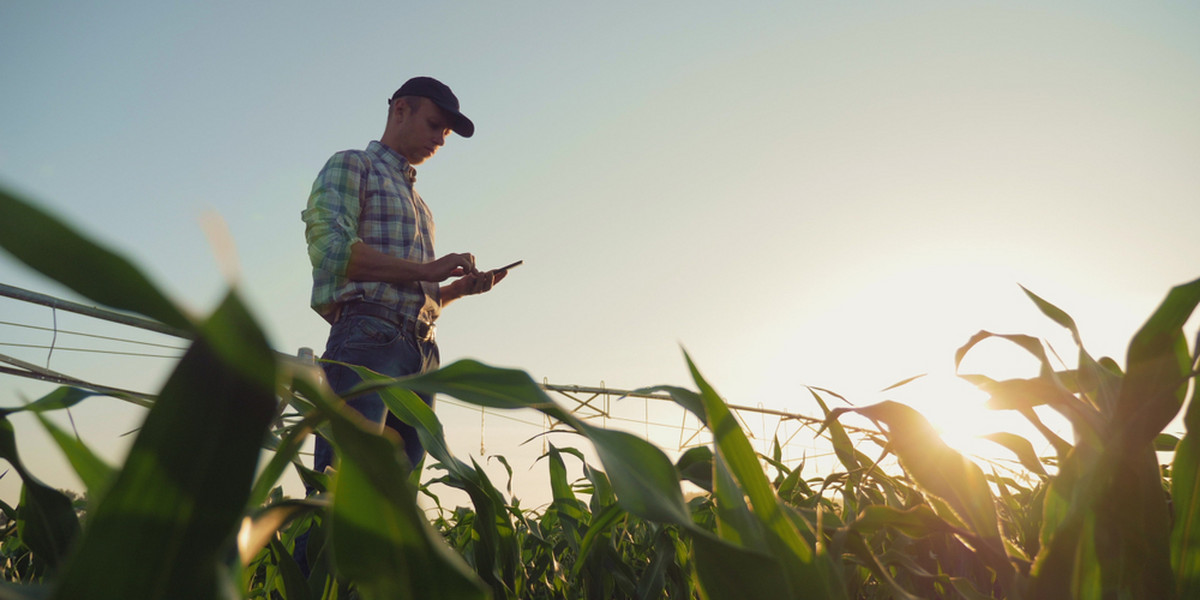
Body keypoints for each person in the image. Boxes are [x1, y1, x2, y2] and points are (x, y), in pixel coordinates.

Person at [301, 76, 506, 474]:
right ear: (400, 110)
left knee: (395, 507)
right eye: (435, 126)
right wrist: (426, 269)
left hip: (422, 351)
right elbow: (329, 250)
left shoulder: (421, 206)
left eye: (446, 132)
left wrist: (455, 291)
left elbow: (406, 291)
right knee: (341, 489)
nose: (441, 141)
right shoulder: (352, 165)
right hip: (368, 341)